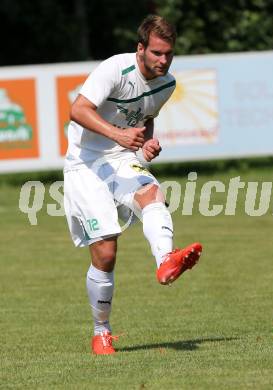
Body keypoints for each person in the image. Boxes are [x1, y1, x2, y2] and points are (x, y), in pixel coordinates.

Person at [63, 15, 202, 355]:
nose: (163, 60)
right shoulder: (115, 70)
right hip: (85, 163)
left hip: (123, 158)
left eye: (169, 54)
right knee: (106, 252)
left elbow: (146, 116)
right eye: (156, 53)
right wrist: (120, 135)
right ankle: (101, 331)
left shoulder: (166, 84)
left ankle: (166, 260)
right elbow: (77, 110)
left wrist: (146, 145)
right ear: (140, 49)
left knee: (152, 194)